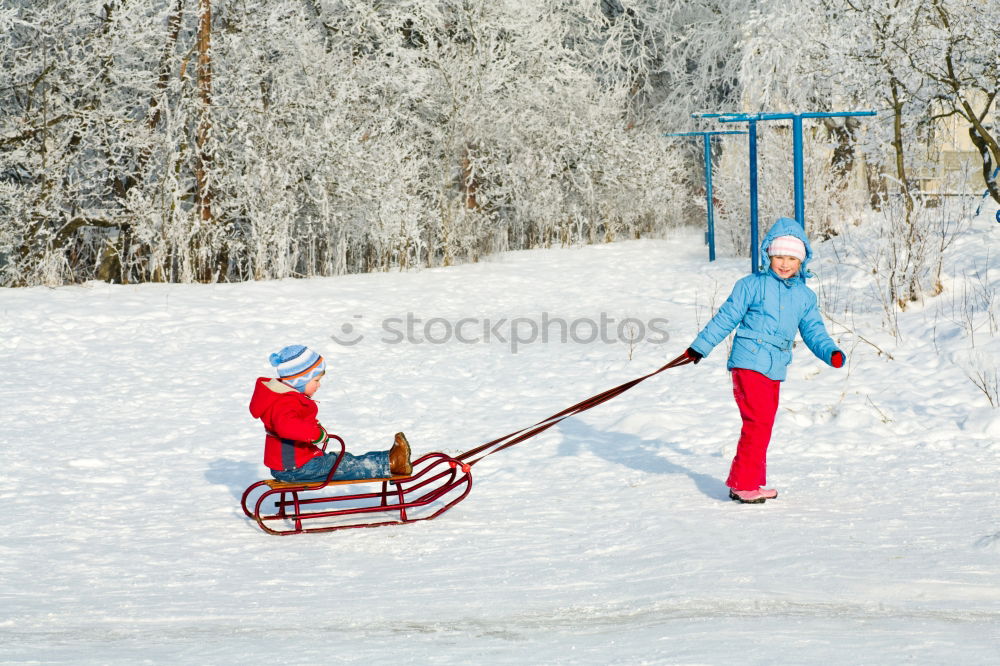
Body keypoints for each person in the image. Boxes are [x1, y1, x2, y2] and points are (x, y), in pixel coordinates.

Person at [684, 217, 845, 504]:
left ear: (802, 261)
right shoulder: (751, 285)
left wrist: (829, 352)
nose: (784, 263)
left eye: (792, 258)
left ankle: (749, 481)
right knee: (757, 422)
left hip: (776, 365)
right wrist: (700, 347)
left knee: (763, 424)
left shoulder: (805, 296)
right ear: (768, 255)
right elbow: (726, 317)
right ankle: (744, 483)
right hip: (749, 361)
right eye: (779, 256)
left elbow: (814, 330)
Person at [249, 345, 413, 483]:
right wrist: (316, 434)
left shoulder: (283, 398)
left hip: (295, 464)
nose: (318, 385)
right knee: (343, 465)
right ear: (299, 380)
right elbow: (287, 427)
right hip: (296, 468)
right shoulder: (286, 401)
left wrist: (313, 428)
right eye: (316, 381)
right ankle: (391, 463)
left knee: (342, 460)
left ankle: (389, 459)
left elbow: (291, 423)